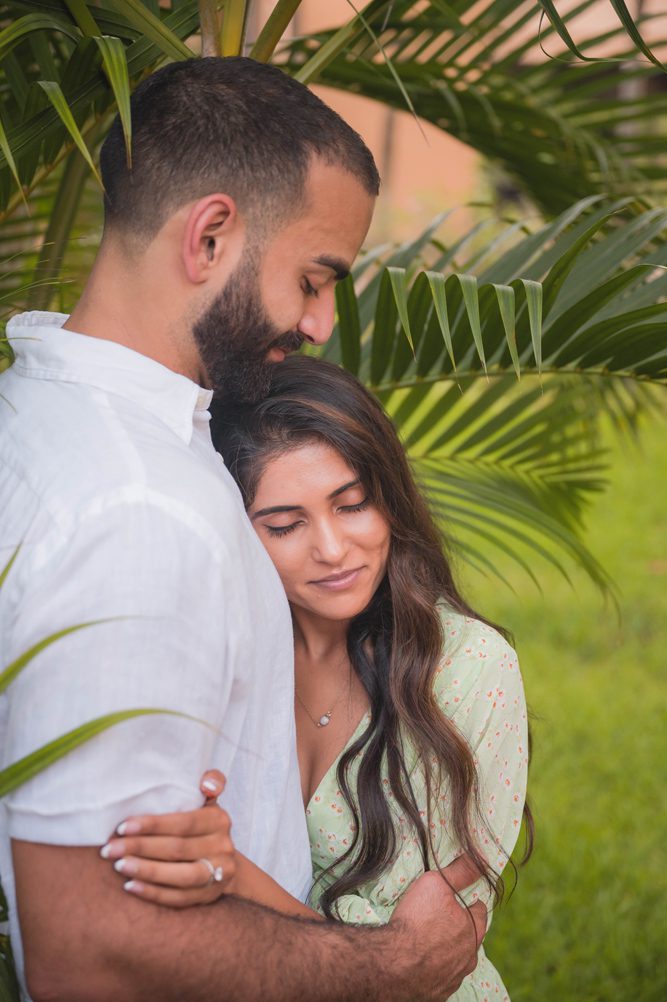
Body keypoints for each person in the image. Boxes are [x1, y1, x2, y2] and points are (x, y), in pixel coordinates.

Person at [0, 57, 485, 1002]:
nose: (321, 321)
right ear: (211, 234)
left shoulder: (34, 415)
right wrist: (391, 968)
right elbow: (89, 950)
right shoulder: (136, 509)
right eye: (313, 277)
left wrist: (233, 863)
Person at [101, 356, 533, 999]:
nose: (332, 549)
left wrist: (231, 875)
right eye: (285, 524)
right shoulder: (210, 663)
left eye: (352, 504)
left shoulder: (468, 669)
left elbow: (409, 958)